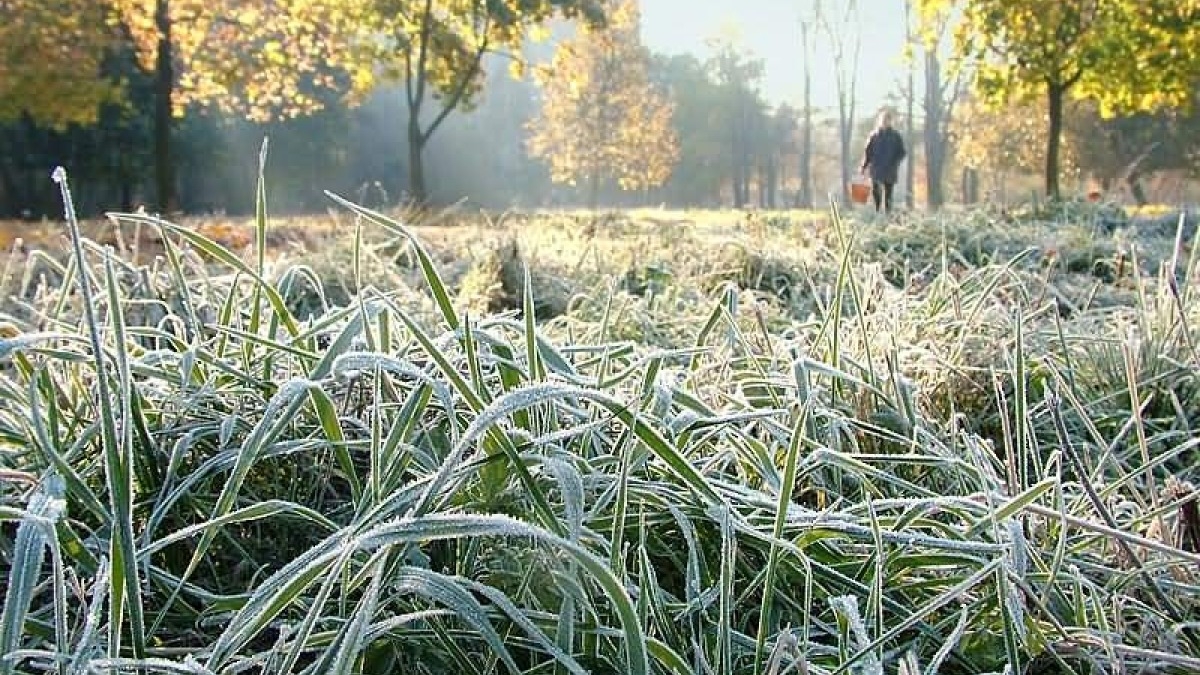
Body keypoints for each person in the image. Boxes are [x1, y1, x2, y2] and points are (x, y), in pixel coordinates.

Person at [859, 110, 907, 214]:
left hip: (890, 169)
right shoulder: (874, 136)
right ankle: (877, 211)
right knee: (876, 191)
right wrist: (864, 167)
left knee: (888, 193)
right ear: (880, 121)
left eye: (888, 120)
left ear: (891, 122)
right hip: (876, 169)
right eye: (884, 120)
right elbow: (868, 152)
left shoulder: (895, 136)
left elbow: (902, 152)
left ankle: (888, 214)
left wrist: (895, 162)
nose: (885, 122)